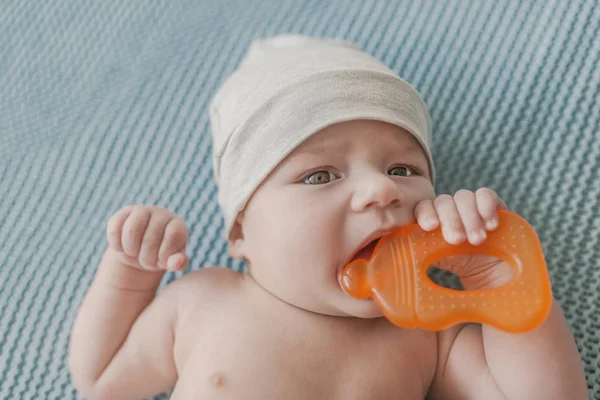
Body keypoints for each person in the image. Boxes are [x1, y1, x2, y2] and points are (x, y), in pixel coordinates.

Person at [68, 35, 587, 399]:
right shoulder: (203, 300)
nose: (382, 188)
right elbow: (100, 379)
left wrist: (497, 279)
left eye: (404, 168)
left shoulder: (427, 334)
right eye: (320, 176)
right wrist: (132, 271)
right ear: (243, 229)